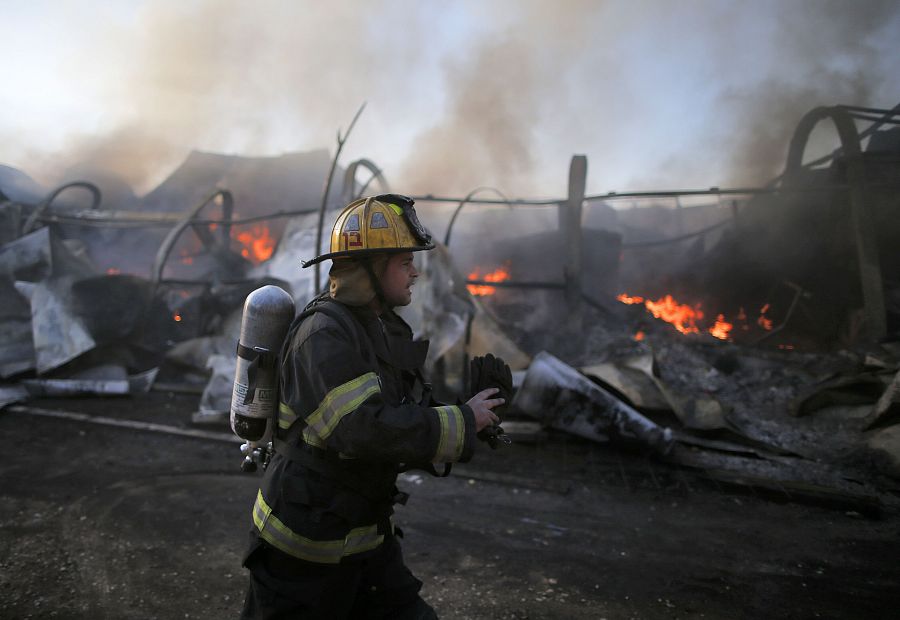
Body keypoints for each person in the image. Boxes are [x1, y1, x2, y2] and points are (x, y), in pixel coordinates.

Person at [240, 194, 503, 619]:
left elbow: (395, 407)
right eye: (404, 262)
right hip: (303, 550)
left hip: (362, 536)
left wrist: (472, 415)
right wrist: (460, 422)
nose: (415, 273)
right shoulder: (323, 336)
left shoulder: (378, 326)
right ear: (370, 267)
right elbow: (362, 429)